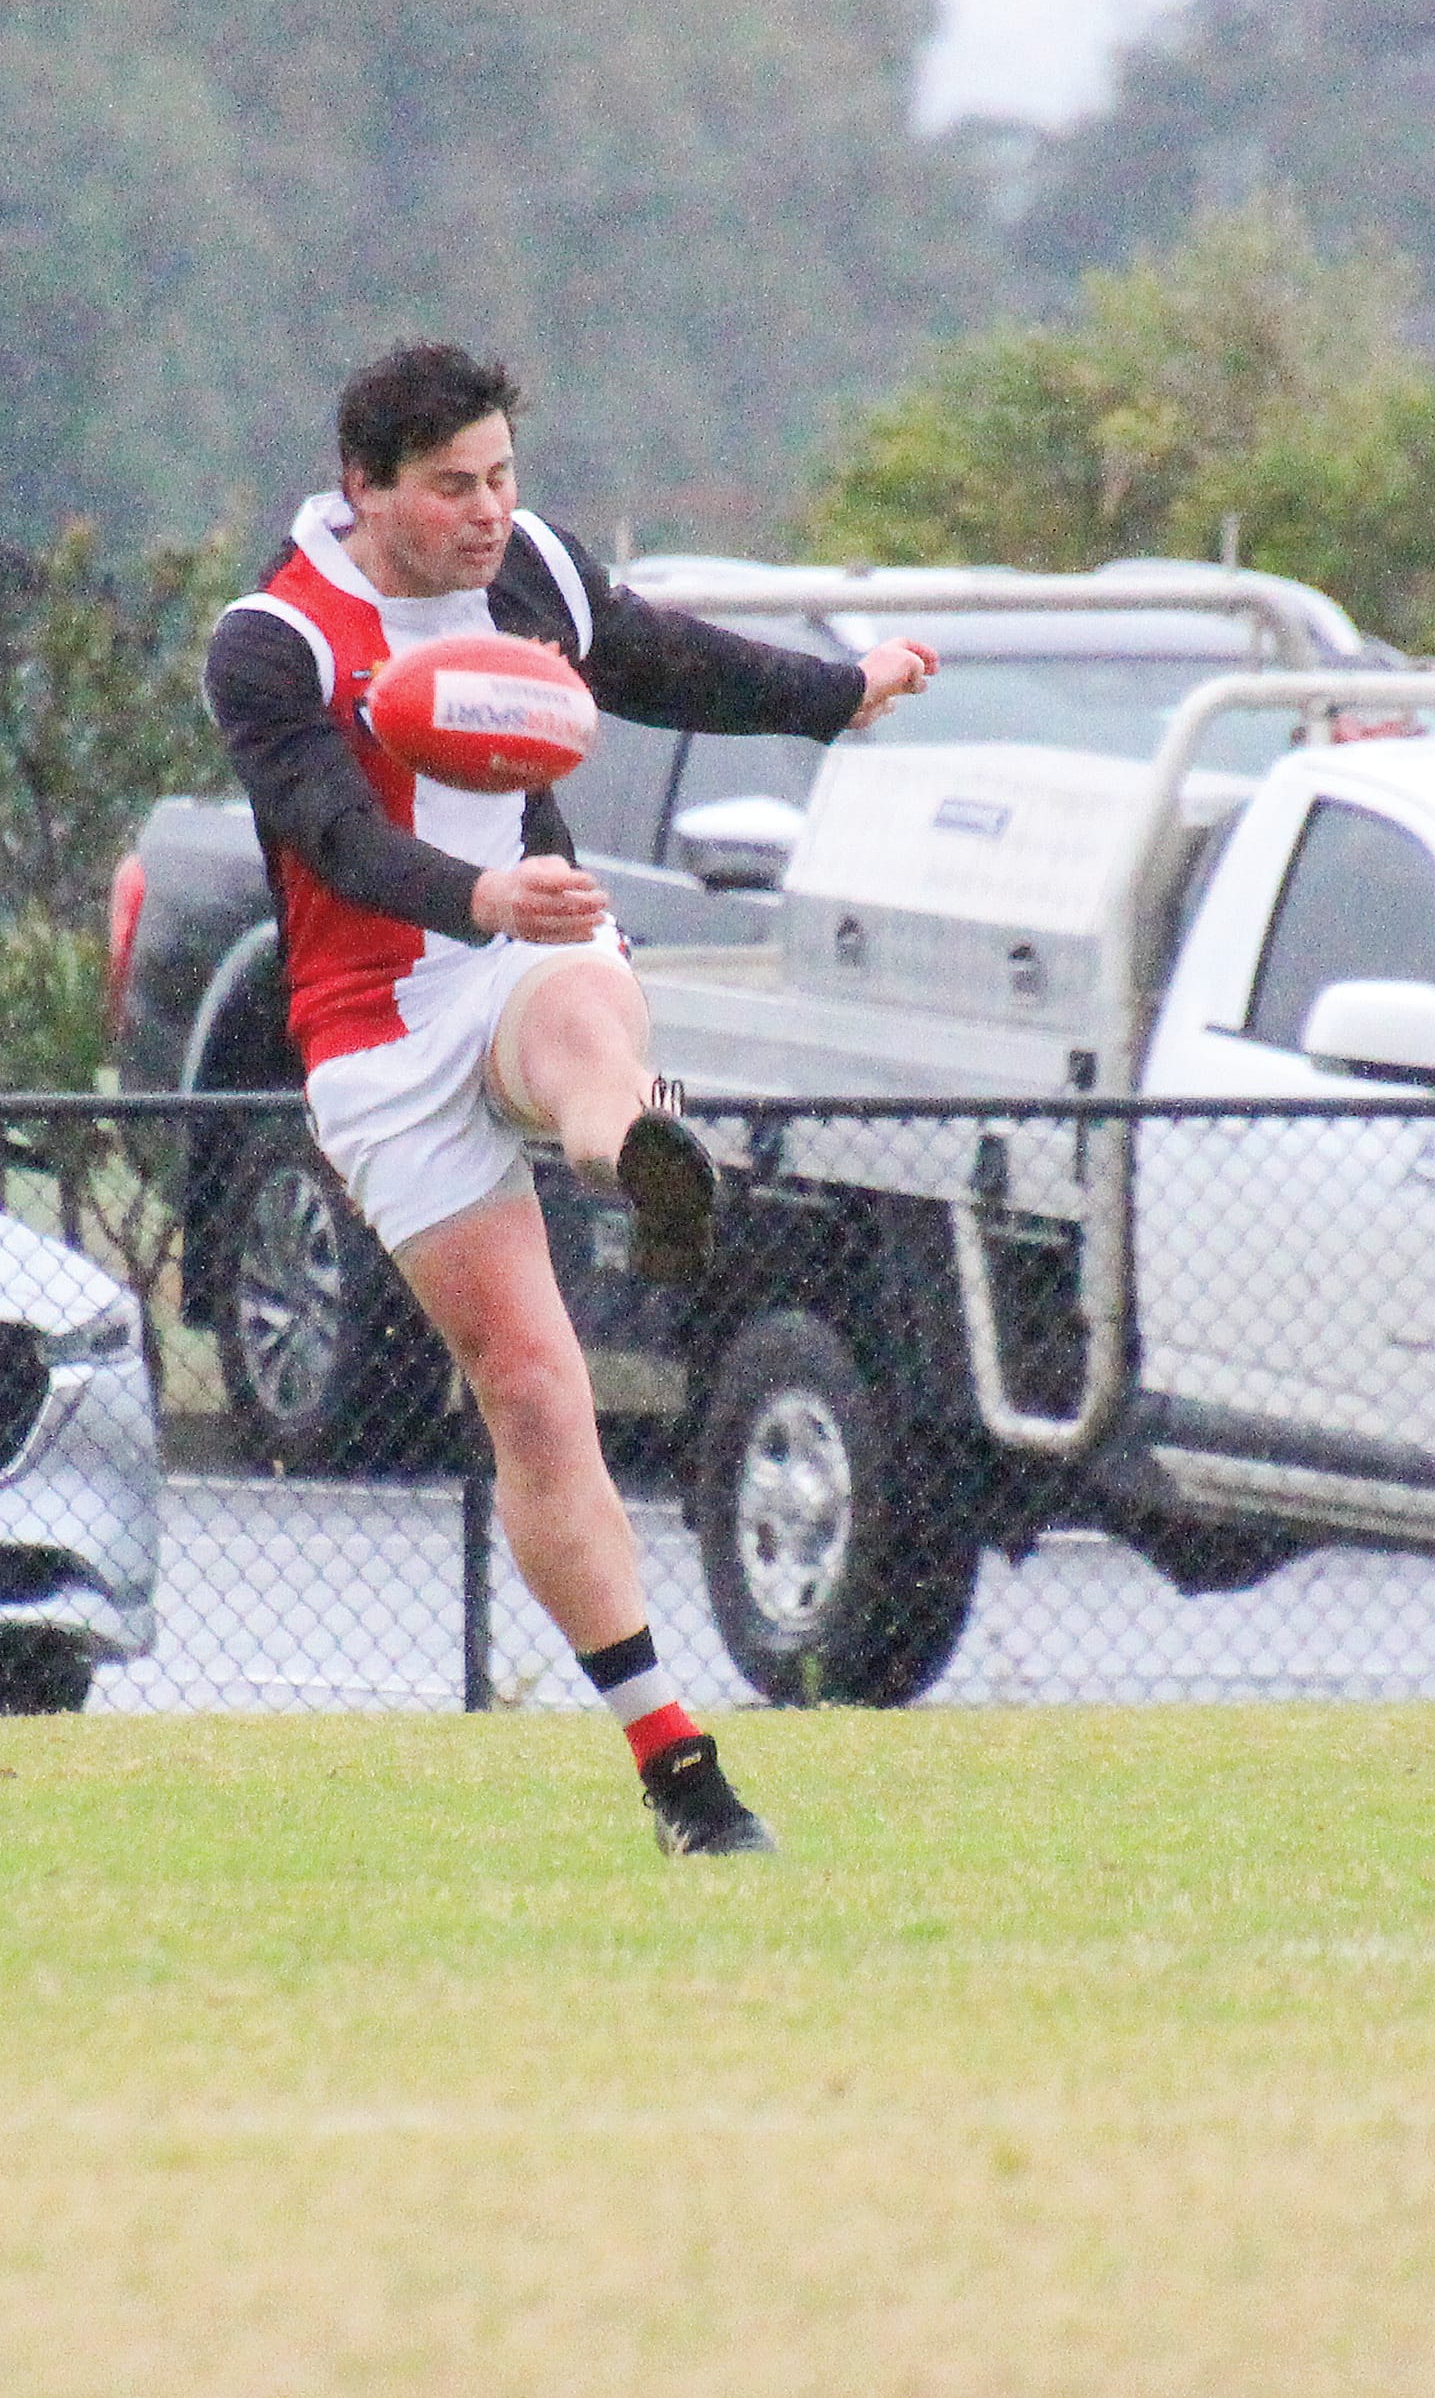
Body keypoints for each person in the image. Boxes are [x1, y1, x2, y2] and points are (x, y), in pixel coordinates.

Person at [204, 344, 935, 1856]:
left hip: (533, 943)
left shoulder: (529, 565)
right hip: (378, 1020)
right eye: (452, 486)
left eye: (502, 477)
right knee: (534, 1389)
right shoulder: (273, 640)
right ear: (366, 485)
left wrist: (833, 692)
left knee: (585, 1014)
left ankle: (633, 1151)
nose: (487, 512)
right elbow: (331, 836)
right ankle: (678, 1766)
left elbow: (662, 656)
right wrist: (475, 888)